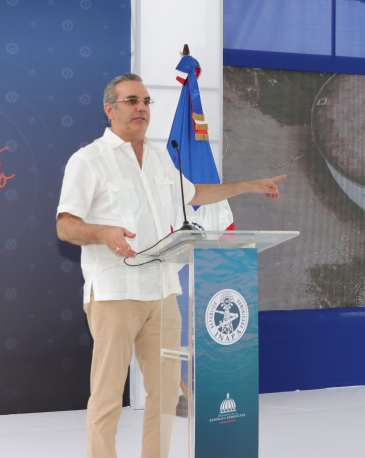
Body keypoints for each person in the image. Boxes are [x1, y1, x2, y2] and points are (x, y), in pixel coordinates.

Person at [56, 73, 283, 458]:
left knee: (164, 396)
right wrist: (104, 232)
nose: (142, 108)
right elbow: (65, 226)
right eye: (132, 101)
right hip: (115, 293)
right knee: (108, 397)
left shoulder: (161, 158)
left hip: (163, 293)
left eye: (146, 101)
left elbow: (196, 194)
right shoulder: (89, 160)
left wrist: (247, 185)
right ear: (110, 109)